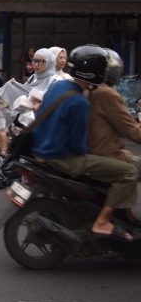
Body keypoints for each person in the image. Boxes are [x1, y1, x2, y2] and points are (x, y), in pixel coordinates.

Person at [32, 45, 138, 239]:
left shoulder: (59, 86)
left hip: (42, 151)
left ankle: (123, 215)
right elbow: (77, 144)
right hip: (63, 158)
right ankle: (102, 221)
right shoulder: (81, 101)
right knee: (129, 171)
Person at [87, 49, 141, 180]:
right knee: (133, 169)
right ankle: (119, 201)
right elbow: (134, 133)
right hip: (104, 153)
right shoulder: (107, 94)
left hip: (91, 151)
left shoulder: (88, 87)